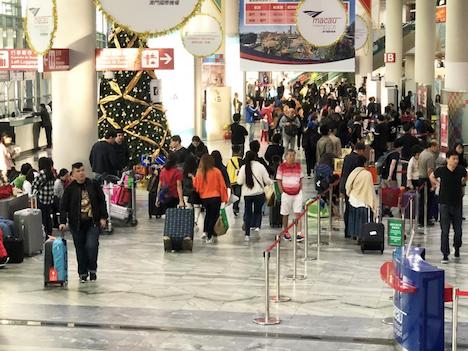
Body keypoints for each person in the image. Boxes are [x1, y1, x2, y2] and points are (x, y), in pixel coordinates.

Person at [59, 162, 108, 283]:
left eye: (82, 170)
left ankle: (92, 269)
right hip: (77, 225)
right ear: (73, 174)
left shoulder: (93, 184)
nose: (81, 173)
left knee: (92, 246)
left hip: (93, 222)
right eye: (78, 171)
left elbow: (102, 200)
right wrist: (62, 222)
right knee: (80, 249)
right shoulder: (70, 189)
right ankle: (82, 273)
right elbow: (63, 206)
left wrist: (103, 217)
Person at [430, 150, 468, 263]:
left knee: (458, 231)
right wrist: (437, 183)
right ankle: (445, 254)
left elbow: (466, 176)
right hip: (444, 204)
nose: (456, 161)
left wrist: (463, 182)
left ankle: (457, 248)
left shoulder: (461, 170)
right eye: (453, 159)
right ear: (447, 159)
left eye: (457, 159)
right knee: (445, 231)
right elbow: (431, 176)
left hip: (457, 204)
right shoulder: (441, 170)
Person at [192, 154, 228, 243]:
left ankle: (205, 232)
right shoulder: (217, 171)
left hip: (204, 198)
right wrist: (224, 198)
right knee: (214, 217)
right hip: (216, 197)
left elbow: (197, 187)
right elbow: (222, 186)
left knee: (208, 215)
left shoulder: (199, 172)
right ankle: (210, 235)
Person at [237, 151, 272, 241]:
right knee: (258, 211)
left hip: (247, 195)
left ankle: (247, 234)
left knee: (248, 213)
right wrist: (271, 183)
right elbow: (267, 180)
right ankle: (257, 226)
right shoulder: (260, 166)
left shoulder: (244, 168)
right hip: (259, 193)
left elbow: (239, 182)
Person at [345, 156, 378, 241]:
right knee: (363, 220)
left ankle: (354, 234)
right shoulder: (367, 174)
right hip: (363, 200)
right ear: (364, 163)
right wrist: (373, 201)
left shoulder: (353, 173)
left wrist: (350, 194)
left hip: (353, 199)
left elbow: (348, 185)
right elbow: (370, 188)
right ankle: (362, 236)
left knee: (354, 219)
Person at [339, 143, 366, 238]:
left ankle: (347, 231)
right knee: (354, 209)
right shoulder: (358, 159)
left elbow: (343, 172)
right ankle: (354, 231)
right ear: (361, 150)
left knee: (348, 208)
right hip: (354, 187)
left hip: (345, 184)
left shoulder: (347, 157)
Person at [276, 149, 304, 241]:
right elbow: (279, 180)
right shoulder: (281, 167)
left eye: (293, 155)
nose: (292, 157)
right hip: (286, 194)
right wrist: (282, 192)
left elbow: (301, 179)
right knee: (285, 213)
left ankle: (299, 232)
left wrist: (300, 188)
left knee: (298, 213)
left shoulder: (298, 166)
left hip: (297, 194)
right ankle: (286, 231)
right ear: (286, 157)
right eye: (290, 155)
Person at [32, 157, 55, 238]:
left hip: (42, 199)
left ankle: (45, 235)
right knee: (48, 217)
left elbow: (34, 185)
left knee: (43, 219)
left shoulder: (42, 173)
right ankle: (49, 233)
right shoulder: (51, 173)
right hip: (49, 200)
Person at [418, 140, 438, 227]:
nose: (437, 149)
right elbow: (430, 171)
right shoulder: (430, 156)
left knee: (422, 200)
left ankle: (421, 219)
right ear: (432, 146)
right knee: (428, 200)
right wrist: (433, 184)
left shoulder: (423, 153)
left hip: (421, 179)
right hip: (427, 180)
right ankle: (425, 219)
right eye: (436, 147)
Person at [182, 155, 202, 231]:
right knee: (197, 206)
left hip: (186, 190)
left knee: (188, 206)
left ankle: (189, 220)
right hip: (195, 190)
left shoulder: (184, 171)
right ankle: (195, 220)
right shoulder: (198, 170)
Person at [226, 145, 244, 216]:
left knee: (232, 195)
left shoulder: (229, 161)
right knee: (238, 194)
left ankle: (232, 207)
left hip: (230, 181)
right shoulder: (241, 160)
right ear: (239, 151)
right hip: (237, 180)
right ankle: (235, 207)